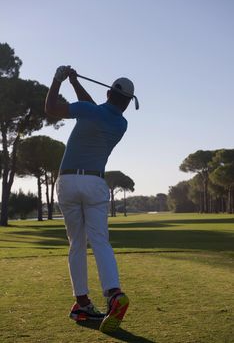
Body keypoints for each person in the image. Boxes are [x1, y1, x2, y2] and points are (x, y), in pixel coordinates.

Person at [45, 65, 136, 333]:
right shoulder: (121, 123)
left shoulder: (89, 112)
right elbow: (93, 107)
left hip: (68, 181)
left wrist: (58, 80)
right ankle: (114, 293)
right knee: (100, 241)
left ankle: (82, 302)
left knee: (76, 244)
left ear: (108, 93)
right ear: (128, 104)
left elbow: (51, 109)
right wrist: (74, 83)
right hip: (96, 183)